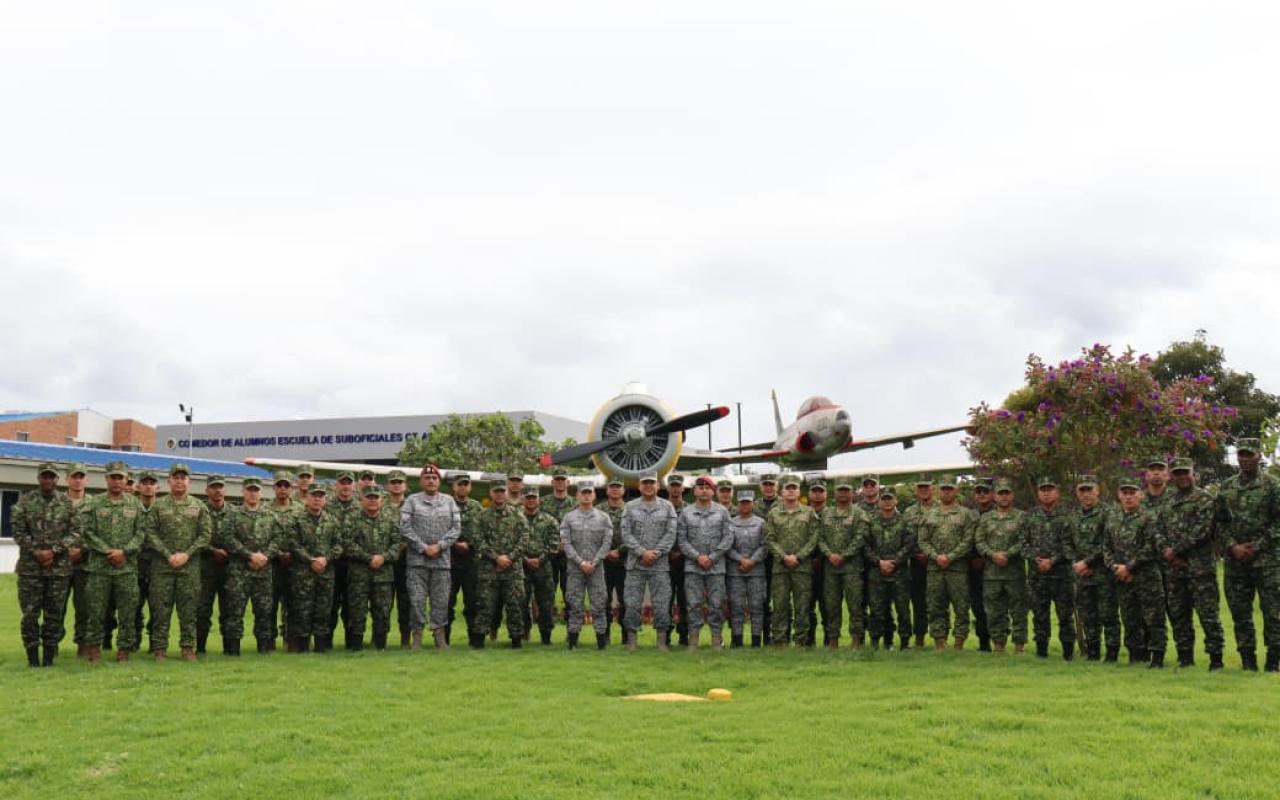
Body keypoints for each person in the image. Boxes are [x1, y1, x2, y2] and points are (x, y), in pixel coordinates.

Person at [1159, 458, 1229, 670]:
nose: (1181, 477)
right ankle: (1185, 658)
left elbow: (1204, 530)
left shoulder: (1205, 499)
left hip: (1200, 569)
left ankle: (1216, 660)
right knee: (1179, 616)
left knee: (1208, 615)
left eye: (1185, 472)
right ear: (1172, 476)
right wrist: (1167, 552)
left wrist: (1176, 550)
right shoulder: (1168, 502)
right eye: (1177, 473)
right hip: (1174, 570)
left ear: (1193, 474)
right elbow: (1158, 531)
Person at [1218, 438, 1280, 672]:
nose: (1244, 458)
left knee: (1273, 612)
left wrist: (1258, 546)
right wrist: (1232, 546)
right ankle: (1248, 661)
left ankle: (1274, 661)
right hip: (1236, 563)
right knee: (1240, 613)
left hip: (1268, 562)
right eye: (1241, 454)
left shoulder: (1273, 486)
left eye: (1249, 454)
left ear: (1258, 456)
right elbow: (1220, 523)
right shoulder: (1227, 486)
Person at [142, 464, 213, 662]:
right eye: (176, 477)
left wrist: (187, 554)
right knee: (160, 609)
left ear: (189, 481)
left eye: (183, 477)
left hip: (189, 568)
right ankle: (160, 649)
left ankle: (188, 647)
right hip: (162, 568)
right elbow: (150, 533)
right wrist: (167, 554)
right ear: (169, 481)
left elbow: (205, 535)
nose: (179, 481)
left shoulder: (199, 506)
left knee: (188, 610)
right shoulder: (158, 506)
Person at [78, 461, 145, 663]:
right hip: (99, 568)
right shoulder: (93, 504)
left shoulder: (136, 504)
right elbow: (87, 532)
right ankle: (94, 649)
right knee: (95, 611)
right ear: (106, 479)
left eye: (120, 478)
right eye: (113, 477)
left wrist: (124, 551)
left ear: (126, 480)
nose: (117, 481)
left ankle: (123, 650)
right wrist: (108, 551)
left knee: (127, 612)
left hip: (126, 568)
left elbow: (142, 533)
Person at [13, 462, 75, 667]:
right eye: (44, 476)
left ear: (57, 479)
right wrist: (37, 552)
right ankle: (32, 658)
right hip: (31, 570)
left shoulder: (66, 503)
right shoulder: (25, 502)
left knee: (54, 615)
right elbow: (18, 532)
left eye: (52, 477)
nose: (48, 480)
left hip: (58, 570)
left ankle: (49, 659)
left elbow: (75, 532)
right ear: (38, 478)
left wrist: (54, 551)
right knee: (30, 614)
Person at [1104, 477, 1169, 668]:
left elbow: (1151, 547)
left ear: (1140, 495)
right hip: (1122, 578)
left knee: (1153, 618)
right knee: (1130, 618)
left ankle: (1157, 657)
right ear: (1119, 496)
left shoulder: (1150, 517)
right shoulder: (1113, 519)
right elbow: (1106, 548)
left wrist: (1130, 567)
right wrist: (1115, 568)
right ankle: (1135, 656)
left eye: (1132, 493)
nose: (1128, 497)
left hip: (1146, 577)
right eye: (1125, 493)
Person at [400, 464, 461, 650]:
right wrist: (422, 547)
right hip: (417, 561)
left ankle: (439, 637)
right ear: (421, 481)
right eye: (427, 478)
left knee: (441, 601)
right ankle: (417, 637)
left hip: (441, 561)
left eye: (434, 478)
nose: (431, 481)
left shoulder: (449, 501)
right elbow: (404, 527)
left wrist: (440, 546)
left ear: (439, 481)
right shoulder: (411, 501)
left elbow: (456, 528)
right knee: (417, 601)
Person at [1020, 476, 1076, 660]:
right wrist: (1037, 560)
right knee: (1039, 614)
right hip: (1037, 576)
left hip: (1062, 575)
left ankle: (1068, 652)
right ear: (1038, 493)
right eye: (1043, 490)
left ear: (1057, 492)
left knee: (1065, 614)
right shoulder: (1029, 516)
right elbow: (1023, 543)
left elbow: (1070, 545)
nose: (1046, 493)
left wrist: (1051, 561)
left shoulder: (1068, 515)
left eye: (1050, 489)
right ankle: (1041, 651)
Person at [620, 474, 678, 650]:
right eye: (645, 483)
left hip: (659, 565)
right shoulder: (629, 507)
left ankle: (661, 642)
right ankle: (632, 642)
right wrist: (641, 552)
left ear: (658, 485)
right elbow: (625, 533)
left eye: (651, 483)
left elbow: (671, 533)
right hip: (635, 564)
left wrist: (656, 553)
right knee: (631, 603)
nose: (648, 486)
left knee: (662, 604)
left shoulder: (667, 507)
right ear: (639, 486)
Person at [918, 476, 976, 650]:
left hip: (957, 569)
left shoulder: (966, 514)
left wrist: (950, 556)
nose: (946, 492)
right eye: (943, 489)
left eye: (950, 489)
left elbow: (968, 539)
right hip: (935, 569)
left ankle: (959, 642)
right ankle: (940, 641)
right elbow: (922, 540)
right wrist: (936, 556)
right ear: (938, 491)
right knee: (935, 605)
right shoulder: (929, 515)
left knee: (961, 606)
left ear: (956, 491)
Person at [222, 477, 277, 654]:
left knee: (263, 610)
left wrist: (265, 556)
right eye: (249, 490)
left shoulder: (270, 515)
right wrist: (249, 555)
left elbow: (280, 538)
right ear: (243, 492)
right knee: (235, 610)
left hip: (263, 570)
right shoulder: (233, 515)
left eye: (256, 490)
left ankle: (263, 648)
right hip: (239, 571)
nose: (253, 493)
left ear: (261, 493)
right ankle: (233, 650)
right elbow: (227, 538)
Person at [678, 475, 733, 650]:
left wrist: (712, 557)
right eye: (700, 487)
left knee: (717, 604)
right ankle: (693, 641)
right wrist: (697, 557)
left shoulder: (722, 512)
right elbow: (682, 540)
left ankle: (716, 640)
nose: (703, 490)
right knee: (693, 604)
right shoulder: (686, 513)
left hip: (716, 567)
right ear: (694, 491)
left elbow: (728, 537)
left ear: (713, 491)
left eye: (707, 487)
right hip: (693, 567)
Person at [473, 483, 531, 648]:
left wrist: (509, 558)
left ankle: (516, 640)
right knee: (485, 604)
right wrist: (496, 558)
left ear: (506, 493)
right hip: (489, 569)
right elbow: (477, 540)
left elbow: (524, 538)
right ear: (491, 493)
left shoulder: (518, 515)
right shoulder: (481, 516)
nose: (499, 495)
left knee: (515, 606)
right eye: (496, 491)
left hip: (513, 570)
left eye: (501, 491)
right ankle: (479, 641)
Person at [974, 479, 1028, 654]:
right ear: (994, 497)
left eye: (1007, 493)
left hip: (1015, 573)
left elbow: (1024, 540)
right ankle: (999, 644)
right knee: (994, 611)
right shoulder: (986, 518)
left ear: (1012, 496)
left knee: (1018, 610)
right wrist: (992, 554)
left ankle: (1019, 646)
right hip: (992, 574)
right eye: (1000, 493)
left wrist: (1008, 554)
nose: (1003, 497)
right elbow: (979, 540)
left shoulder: (1022, 517)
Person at [1070, 475, 1120, 662]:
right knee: (1088, 616)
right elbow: (1068, 542)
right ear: (1077, 493)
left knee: (1108, 615)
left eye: (1089, 489)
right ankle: (1092, 653)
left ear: (1097, 490)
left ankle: (1112, 654)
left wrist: (1088, 563)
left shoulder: (1109, 513)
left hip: (1103, 574)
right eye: (1082, 490)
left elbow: (1109, 543)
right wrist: (1077, 563)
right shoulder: (1073, 516)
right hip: (1082, 575)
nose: (1086, 494)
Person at [343, 485, 399, 650]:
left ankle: (380, 645)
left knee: (382, 611)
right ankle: (356, 646)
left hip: (384, 574)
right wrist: (368, 558)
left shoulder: (390, 520)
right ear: (362, 499)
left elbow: (397, 543)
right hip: (359, 574)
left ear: (382, 500)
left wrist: (384, 557)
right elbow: (347, 543)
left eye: (376, 497)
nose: (373, 500)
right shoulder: (352, 519)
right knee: (357, 611)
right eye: (369, 497)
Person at [764, 476, 819, 647]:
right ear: (781, 491)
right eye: (788, 488)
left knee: (802, 606)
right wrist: (784, 557)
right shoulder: (773, 513)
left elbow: (814, 538)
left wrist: (799, 556)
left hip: (802, 567)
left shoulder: (809, 512)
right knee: (780, 605)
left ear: (799, 491)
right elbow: (769, 538)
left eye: (794, 488)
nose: (791, 491)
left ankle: (801, 641)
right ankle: (780, 641)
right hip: (780, 567)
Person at [289, 485, 341, 653]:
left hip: (326, 572)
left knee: (323, 609)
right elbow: (293, 544)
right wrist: (310, 559)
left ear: (325, 499)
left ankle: (320, 646)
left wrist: (326, 559)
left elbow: (339, 545)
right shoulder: (297, 519)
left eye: (321, 496)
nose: (317, 499)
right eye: (314, 495)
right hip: (304, 573)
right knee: (303, 609)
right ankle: (303, 646)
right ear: (307, 498)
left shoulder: (332, 521)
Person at [560, 482, 613, 650]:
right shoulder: (569, 518)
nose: (586, 496)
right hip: (575, 569)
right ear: (577, 496)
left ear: (594, 495)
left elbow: (607, 542)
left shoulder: (604, 518)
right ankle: (573, 641)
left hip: (596, 568)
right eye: (583, 493)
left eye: (589, 493)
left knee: (599, 604)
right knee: (575, 604)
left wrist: (595, 561)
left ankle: (601, 642)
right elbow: (566, 543)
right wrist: (580, 562)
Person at [819, 482, 870, 649]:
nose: (843, 493)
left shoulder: (859, 513)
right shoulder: (826, 513)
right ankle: (833, 640)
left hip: (852, 568)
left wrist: (844, 555)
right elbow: (819, 538)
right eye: (840, 490)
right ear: (835, 492)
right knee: (831, 606)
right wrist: (829, 554)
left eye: (846, 490)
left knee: (855, 605)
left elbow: (860, 537)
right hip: (831, 568)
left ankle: (856, 640)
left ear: (852, 493)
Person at [864, 487, 914, 651]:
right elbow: (864, 545)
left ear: (896, 501)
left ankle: (905, 642)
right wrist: (879, 562)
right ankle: (877, 642)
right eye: (884, 499)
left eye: (890, 499)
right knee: (877, 609)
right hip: (877, 572)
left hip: (899, 572)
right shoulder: (871, 521)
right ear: (879, 501)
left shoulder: (905, 521)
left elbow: (909, 544)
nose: (887, 502)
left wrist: (894, 562)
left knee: (902, 609)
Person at [324, 471, 361, 653]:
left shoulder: (360, 507)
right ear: (336, 485)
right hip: (332, 563)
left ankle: (352, 643)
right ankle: (326, 642)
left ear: (354, 486)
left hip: (355, 563)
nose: (346, 486)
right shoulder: (327, 506)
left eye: (349, 483)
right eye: (342, 483)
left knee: (352, 604)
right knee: (330, 603)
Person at [196, 475, 233, 655]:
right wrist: (212, 550)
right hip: (205, 569)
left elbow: (240, 537)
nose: (217, 490)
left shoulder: (234, 512)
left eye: (220, 487)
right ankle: (200, 648)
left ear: (225, 490)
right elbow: (194, 537)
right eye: (213, 487)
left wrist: (229, 551)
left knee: (228, 610)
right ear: (207, 490)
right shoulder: (199, 511)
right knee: (202, 610)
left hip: (229, 569)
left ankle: (228, 648)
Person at [521, 487, 562, 646]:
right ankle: (524, 633)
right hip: (522, 568)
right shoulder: (516, 518)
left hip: (544, 568)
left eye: (534, 498)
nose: (531, 500)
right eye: (528, 497)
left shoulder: (550, 520)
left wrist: (540, 559)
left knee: (546, 603)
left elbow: (554, 543)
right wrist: (525, 559)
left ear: (539, 500)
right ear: (523, 500)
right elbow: (511, 542)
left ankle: (546, 637)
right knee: (521, 602)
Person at [446, 474, 483, 647]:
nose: (463, 487)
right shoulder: (445, 505)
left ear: (470, 487)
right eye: (459, 485)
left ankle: (474, 640)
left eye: (466, 485)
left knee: (473, 602)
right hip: (449, 562)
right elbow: (438, 528)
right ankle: (443, 640)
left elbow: (483, 531)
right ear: (454, 487)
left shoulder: (477, 507)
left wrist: (469, 544)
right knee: (446, 602)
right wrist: (454, 543)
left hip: (471, 563)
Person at [727, 490, 767, 648]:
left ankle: (756, 641)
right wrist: (741, 560)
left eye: (748, 502)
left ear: (753, 504)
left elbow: (765, 546)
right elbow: (727, 546)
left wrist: (752, 561)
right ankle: (737, 640)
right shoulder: (731, 522)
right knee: (736, 606)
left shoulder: (761, 523)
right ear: (738, 504)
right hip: (735, 571)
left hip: (756, 572)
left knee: (756, 606)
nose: (745, 505)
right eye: (742, 502)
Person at [904, 477, 938, 648]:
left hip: (937, 563)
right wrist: (916, 554)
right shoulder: (909, 512)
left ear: (933, 488)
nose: (924, 490)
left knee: (939, 602)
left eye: (927, 487)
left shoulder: (941, 509)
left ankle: (941, 638)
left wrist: (931, 554)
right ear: (916, 490)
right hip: (916, 563)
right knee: (918, 602)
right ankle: (919, 638)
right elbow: (906, 537)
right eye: (920, 487)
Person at [64, 462, 91, 657]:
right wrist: (65, 550)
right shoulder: (57, 502)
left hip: (86, 563)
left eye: (81, 476)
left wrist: (83, 550)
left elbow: (100, 531)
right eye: (74, 476)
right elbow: (51, 530)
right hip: (61, 564)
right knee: (56, 606)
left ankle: (82, 643)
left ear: (86, 479)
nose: (78, 480)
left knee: (84, 607)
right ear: (67, 479)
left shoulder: (95, 503)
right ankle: (52, 643)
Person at [382, 469, 412, 648]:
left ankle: (405, 639)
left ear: (405, 486)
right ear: (387, 486)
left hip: (407, 560)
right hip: (385, 560)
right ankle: (380, 638)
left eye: (399, 482)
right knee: (384, 602)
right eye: (393, 482)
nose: (396, 485)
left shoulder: (413, 506)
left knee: (406, 601)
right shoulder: (380, 505)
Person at [600, 479, 628, 642]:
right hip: (603, 563)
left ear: (623, 490)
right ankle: (605, 635)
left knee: (626, 600)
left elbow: (636, 534)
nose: (615, 490)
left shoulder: (631, 510)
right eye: (612, 487)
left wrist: (619, 550)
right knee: (604, 599)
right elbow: (593, 535)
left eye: (618, 487)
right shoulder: (598, 510)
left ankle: (626, 636)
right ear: (607, 490)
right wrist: (607, 552)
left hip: (625, 561)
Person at [666, 474, 691, 646]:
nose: (675, 488)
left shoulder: (690, 510)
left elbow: (694, 534)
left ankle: (683, 636)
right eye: (672, 485)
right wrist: (666, 552)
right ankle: (665, 635)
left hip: (685, 561)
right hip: (664, 561)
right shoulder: (661, 508)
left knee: (685, 600)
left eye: (678, 485)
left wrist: (682, 552)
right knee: (665, 600)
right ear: (668, 488)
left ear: (683, 488)